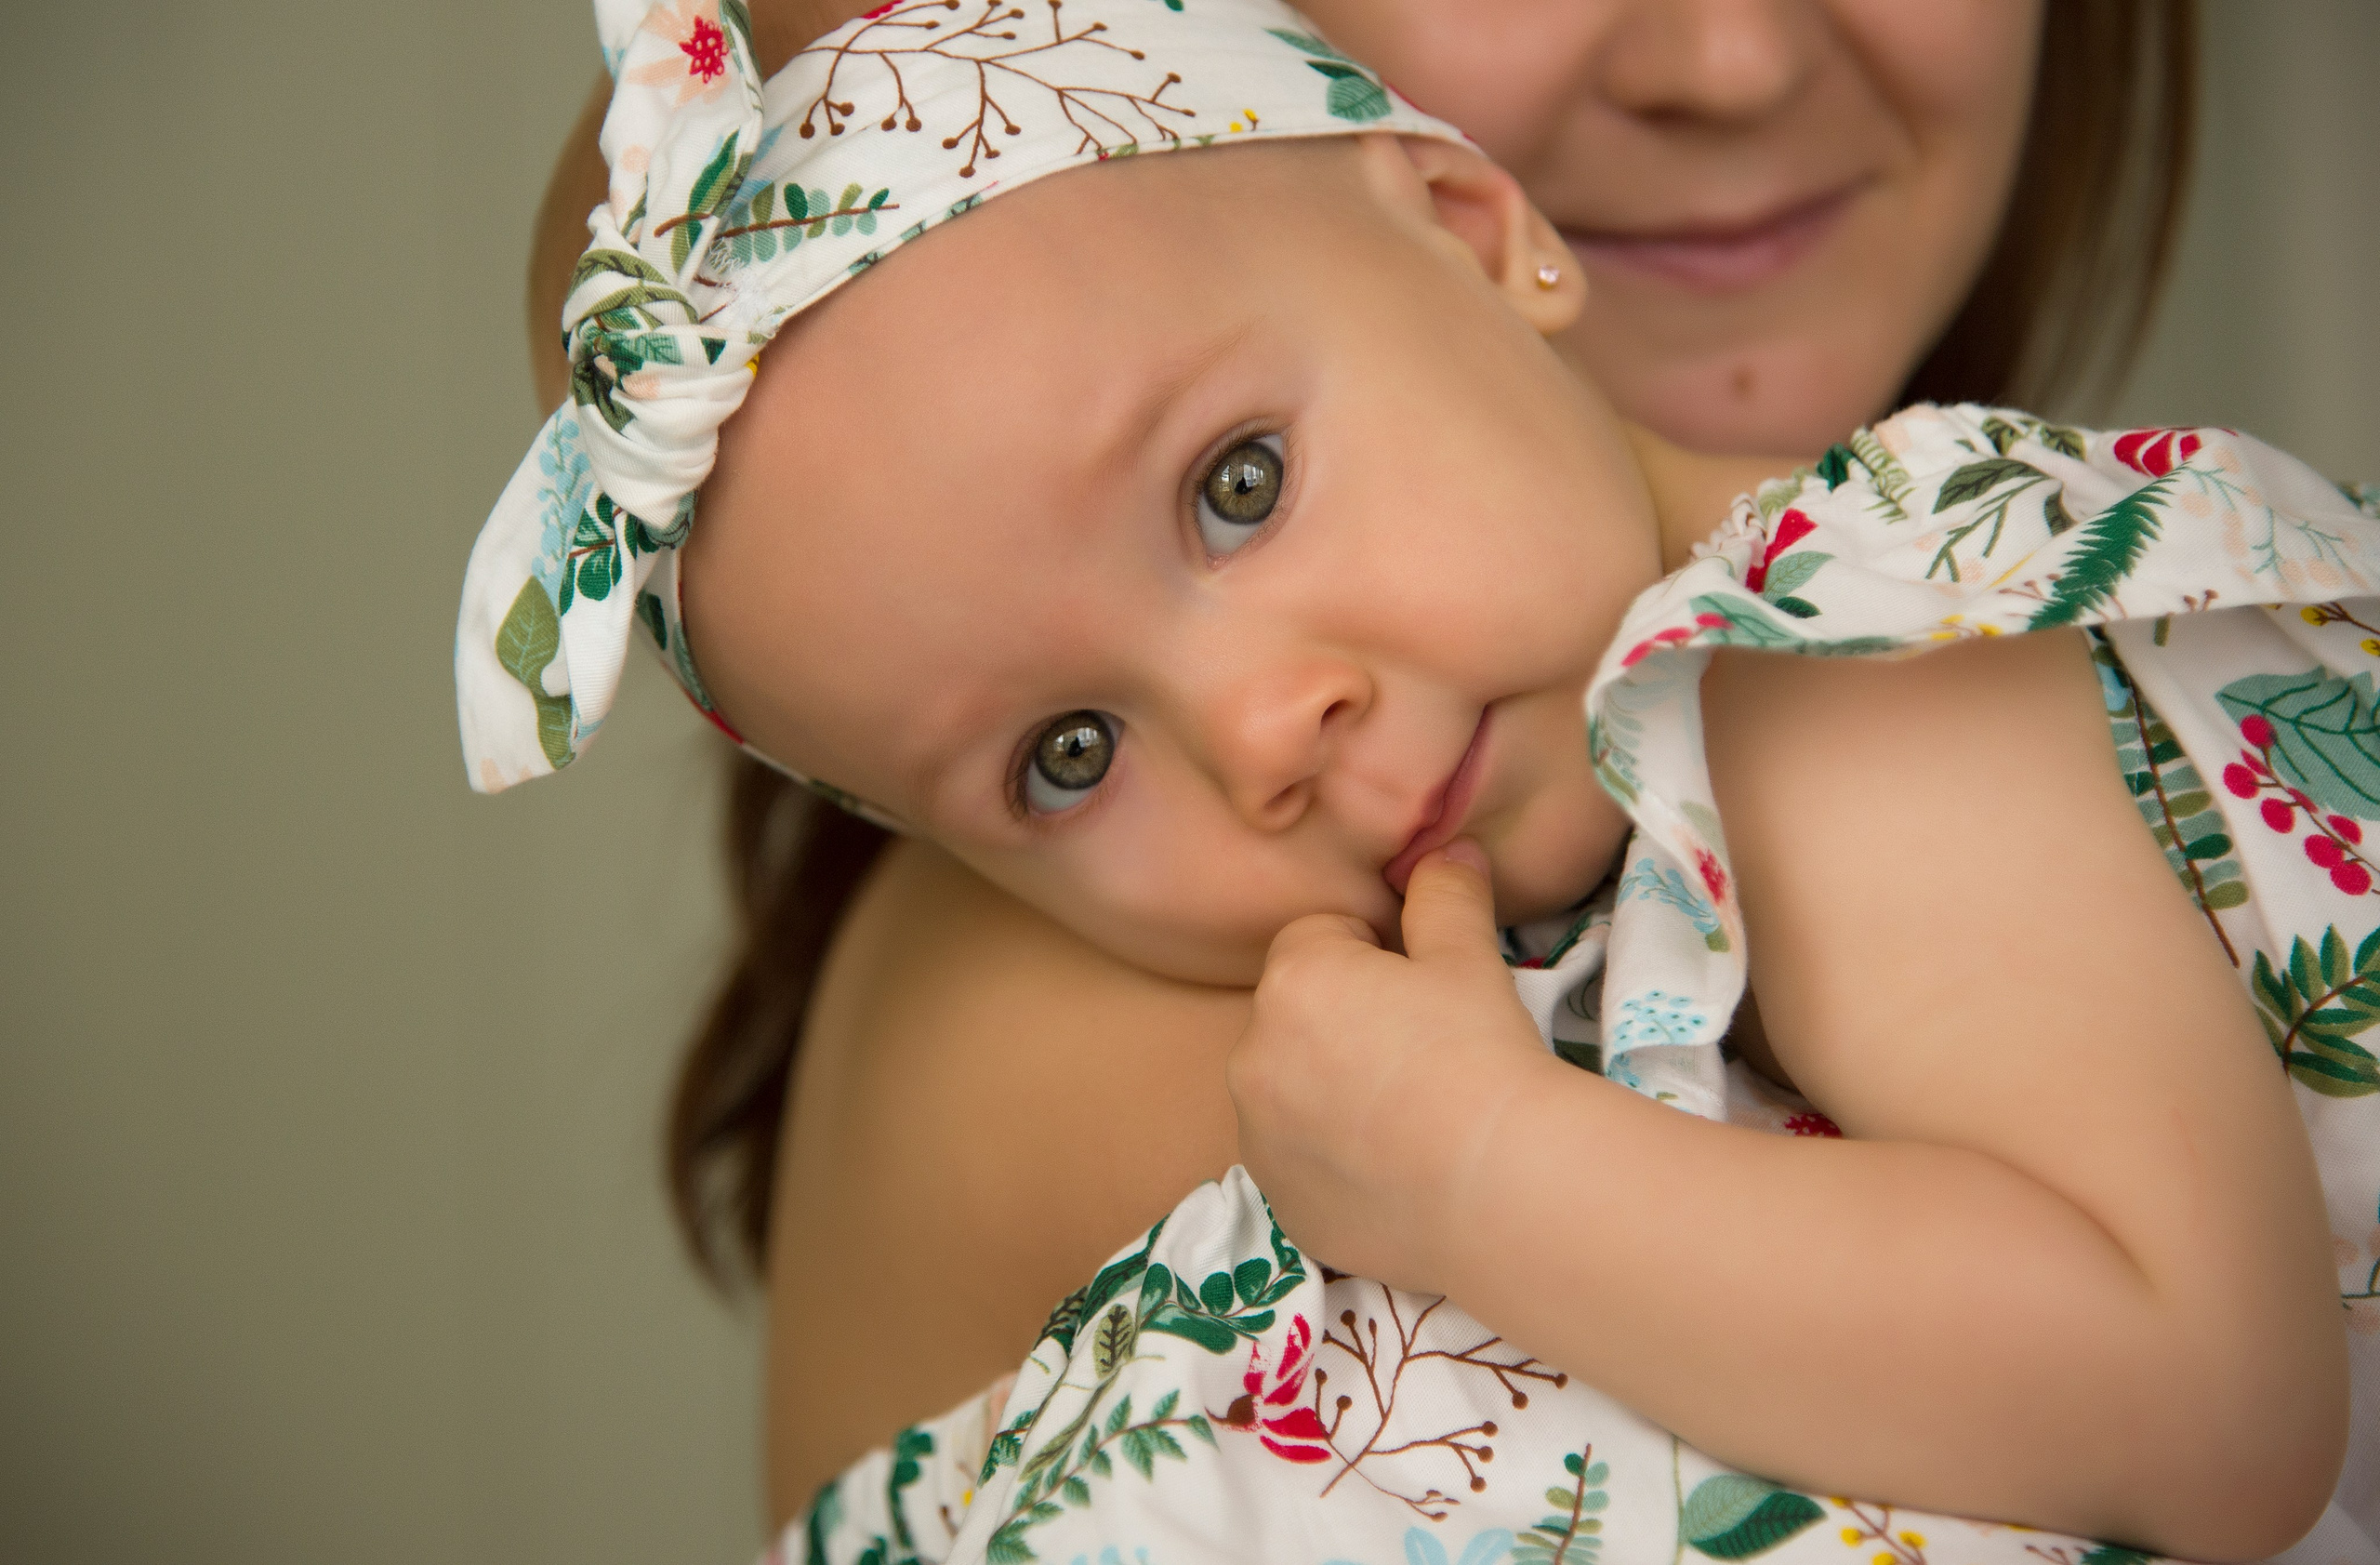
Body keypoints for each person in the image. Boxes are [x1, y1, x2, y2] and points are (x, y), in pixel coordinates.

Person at [468, 1, 2367, 1558]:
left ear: (1465, 226)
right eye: (1067, 756)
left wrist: (1484, 1169)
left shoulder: (1821, 651)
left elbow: (2211, 1402)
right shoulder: (1143, 1037)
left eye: (1239, 485)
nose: (1255, 731)